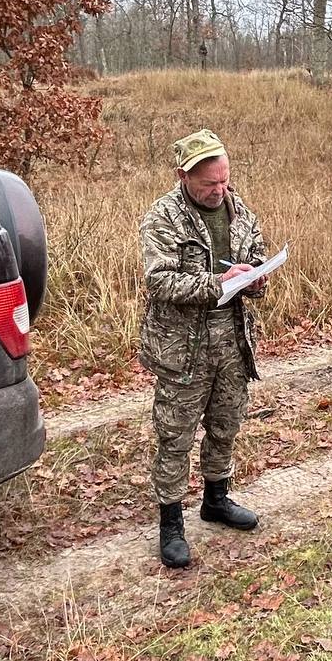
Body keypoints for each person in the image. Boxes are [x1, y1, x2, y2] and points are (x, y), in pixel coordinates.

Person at [139, 129, 267, 568]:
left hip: (233, 341)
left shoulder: (240, 211)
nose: (220, 190)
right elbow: (159, 281)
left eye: (224, 180)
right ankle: (170, 524)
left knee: (225, 424)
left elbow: (256, 255)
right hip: (183, 349)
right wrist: (217, 284)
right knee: (175, 437)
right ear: (184, 176)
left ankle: (216, 498)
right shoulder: (163, 217)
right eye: (210, 183)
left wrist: (256, 279)